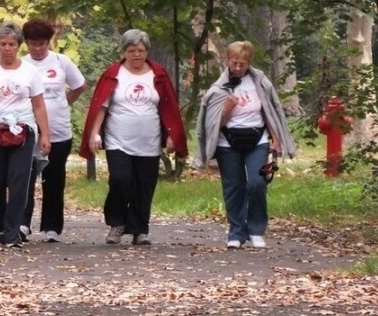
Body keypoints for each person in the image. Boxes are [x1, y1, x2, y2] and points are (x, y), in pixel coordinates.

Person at [79, 29, 188, 246]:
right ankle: (117, 223)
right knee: (120, 180)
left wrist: (171, 135)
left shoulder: (157, 74)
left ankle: (140, 229)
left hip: (148, 140)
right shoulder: (114, 73)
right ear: (124, 52)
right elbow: (101, 106)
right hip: (118, 139)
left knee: (144, 185)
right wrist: (94, 133)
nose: (137, 55)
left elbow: (168, 107)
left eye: (141, 50)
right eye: (131, 50)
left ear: (147, 51)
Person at [193, 40, 296, 249]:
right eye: (234, 63)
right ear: (227, 61)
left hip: (258, 139)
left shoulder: (261, 82)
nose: (238, 67)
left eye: (243, 63)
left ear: (249, 62)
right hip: (227, 142)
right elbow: (213, 125)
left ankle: (256, 229)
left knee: (258, 183)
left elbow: (269, 111)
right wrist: (227, 108)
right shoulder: (218, 89)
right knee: (234, 187)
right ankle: (237, 232)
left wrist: (276, 140)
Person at [0, 21, 51, 249]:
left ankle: (13, 231)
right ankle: (0, 222)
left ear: (19, 46)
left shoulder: (30, 72)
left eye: (12, 44)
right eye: (3, 44)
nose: (7, 48)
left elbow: (38, 105)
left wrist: (45, 134)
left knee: (19, 182)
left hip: (22, 130)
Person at [20, 19, 86, 243]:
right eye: (33, 44)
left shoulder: (61, 61)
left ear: (49, 43)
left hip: (59, 130)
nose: (38, 49)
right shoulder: (22, 65)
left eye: (42, 44)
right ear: (26, 44)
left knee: (54, 178)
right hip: (28, 132)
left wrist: (64, 102)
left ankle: (52, 227)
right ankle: (22, 223)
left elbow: (79, 85)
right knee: (25, 178)